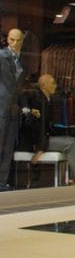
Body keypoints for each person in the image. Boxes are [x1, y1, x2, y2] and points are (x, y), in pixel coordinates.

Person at [21, 73, 75, 184]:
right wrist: (40, 148)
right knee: (72, 143)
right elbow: (36, 127)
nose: (55, 85)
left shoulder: (48, 100)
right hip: (39, 141)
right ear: (44, 85)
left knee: (73, 140)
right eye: (53, 83)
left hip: (44, 138)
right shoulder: (38, 101)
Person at [0, 28, 26, 191]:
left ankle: (2, 181)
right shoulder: (2, 56)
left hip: (12, 109)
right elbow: (9, 85)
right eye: (12, 40)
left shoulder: (20, 60)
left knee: (8, 146)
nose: (15, 44)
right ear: (7, 40)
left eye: (18, 40)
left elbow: (18, 87)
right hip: (2, 107)